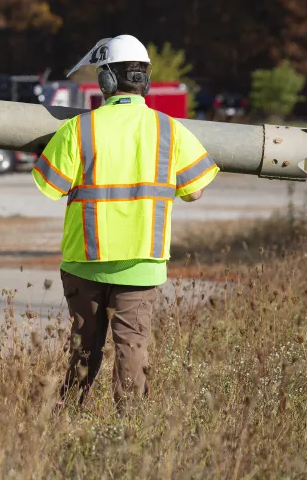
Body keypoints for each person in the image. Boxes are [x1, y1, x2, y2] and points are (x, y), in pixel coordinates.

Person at [32, 35, 218, 410]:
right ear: (144, 80)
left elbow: (49, 186)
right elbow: (195, 191)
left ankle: (67, 416)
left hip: (85, 259)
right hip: (142, 262)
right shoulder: (169, 129)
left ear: (106, 82)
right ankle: (130, 427)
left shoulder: (79, 129)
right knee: (133, 348)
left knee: (84, 349)